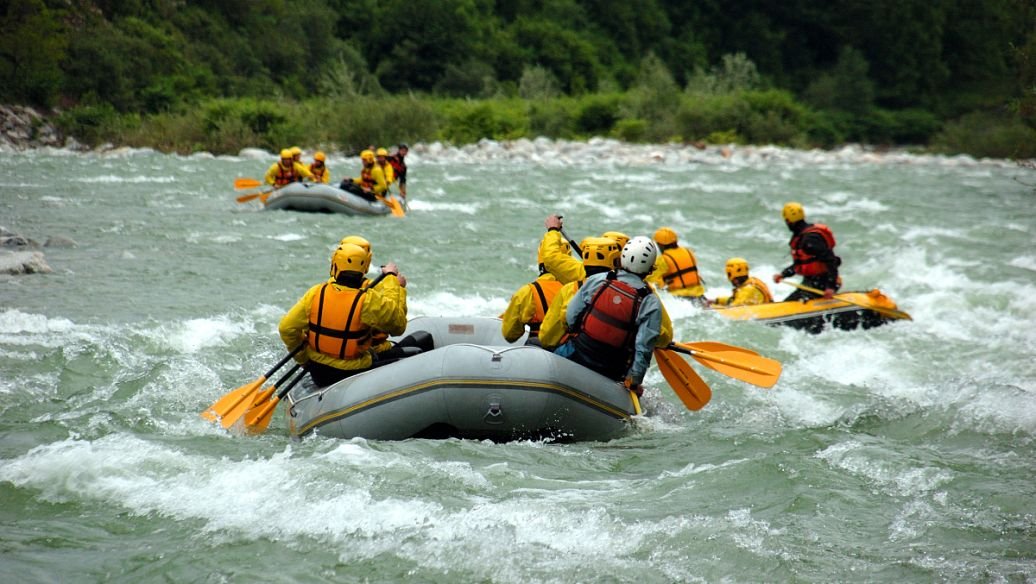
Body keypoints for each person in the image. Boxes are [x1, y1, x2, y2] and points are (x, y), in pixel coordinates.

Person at [552, 236, 674, 397]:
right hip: (612, 369)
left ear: (621, 259)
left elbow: (571, 317)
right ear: (650, 268)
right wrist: (634, 381)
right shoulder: (650, 301)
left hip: (577, 352)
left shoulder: (597, 280)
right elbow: (643, 348)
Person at [278, 243, 408, 387]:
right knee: (416, 352)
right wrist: (393, 281)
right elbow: (398, 326)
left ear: (335, 266)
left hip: (318, 371)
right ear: (364, 269)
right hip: (352, 373)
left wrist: (303, 358)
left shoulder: (315, 293)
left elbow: (286, 328)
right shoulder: (368, 301)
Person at [537, 236, 623, 350]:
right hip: (614, 353)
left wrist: (552, 231)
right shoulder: (626, 290)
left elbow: (547, 336)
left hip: (579, 350)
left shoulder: (570, 289)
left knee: (535, 343)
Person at [773, 202, 841, 301]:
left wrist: (830, 287)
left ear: (788, 221)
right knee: (787, 302)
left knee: (794, 303)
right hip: (810, 282)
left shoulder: (810, 240)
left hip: (823, 282)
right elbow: (800, 264)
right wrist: (783, 275)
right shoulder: (800, 236)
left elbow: (831, 260)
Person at [647, 227, 706, 303]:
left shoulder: (664, 259)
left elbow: (650, 281)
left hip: (680, 299)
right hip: (699, 295)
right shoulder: (689, 252)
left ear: (660, 245)